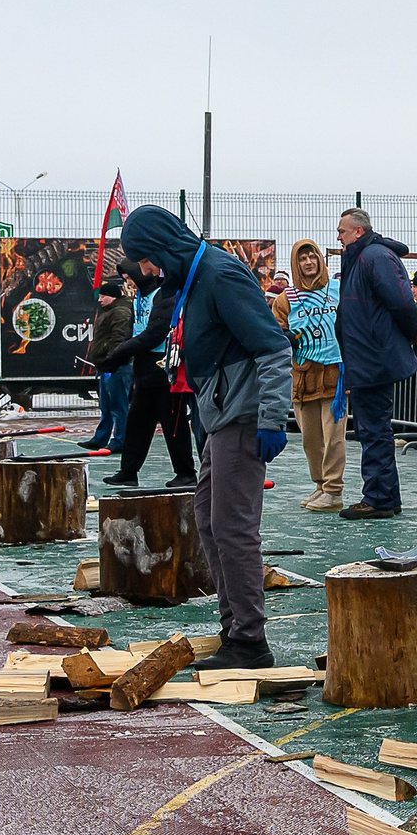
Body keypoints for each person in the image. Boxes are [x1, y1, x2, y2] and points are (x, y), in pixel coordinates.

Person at [118, 206, 291, 670]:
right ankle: (235, 626)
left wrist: (273, 417)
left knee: (233, 528)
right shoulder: (192, 279)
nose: (148, 271)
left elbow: (273, 346)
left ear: (164, 249)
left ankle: (250, 641)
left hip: (243, 415)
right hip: (220, 415)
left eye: (147, 260)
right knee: (208, 519)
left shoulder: (220, 275)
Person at [335, 206, 417, 521]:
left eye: (342, 231)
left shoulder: (374, 257)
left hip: (372, 357)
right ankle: (384, 496)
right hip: (367, 356)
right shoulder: (365, 258)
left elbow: (402, 301)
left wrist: (411, 333)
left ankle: (380, 498)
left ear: (358, 231)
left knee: (374, 430)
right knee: (373, 429)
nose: (338, 236)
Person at [105, 261, 197, 488]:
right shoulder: (139, 296)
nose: (129, 282)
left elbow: (156, 332)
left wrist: (122, 352)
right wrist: (121, 353)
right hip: (144, 365)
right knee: (137, 422)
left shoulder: (163, 293)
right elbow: (134, 326)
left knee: (173, 423)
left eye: (130, 277)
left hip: (164, 364)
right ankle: (128, 470)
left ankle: (186, 472)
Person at [279, 239, 347, 513]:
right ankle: (319, 485)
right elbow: (277, 330)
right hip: (304, 376)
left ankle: (333, 490)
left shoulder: (337, 290)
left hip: (334, 373)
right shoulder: (286, 298)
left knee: (334, 437)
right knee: (311, 439)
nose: (308, 262)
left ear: (321, 260)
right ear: (295, 264)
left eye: (313, 257)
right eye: (302, 258)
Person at [84, 279, 134, 454]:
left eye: (103, 296)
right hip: (107, 366)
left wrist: (112, 359)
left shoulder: (119, 313)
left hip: (117, 366)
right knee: (106, 405)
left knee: (118, 405)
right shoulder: (110, 311)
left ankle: (120, 440)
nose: (100, 299)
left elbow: (119, 338)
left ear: (112, 296)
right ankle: (101, 438)